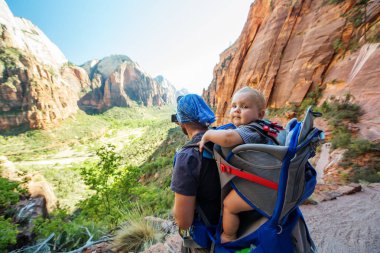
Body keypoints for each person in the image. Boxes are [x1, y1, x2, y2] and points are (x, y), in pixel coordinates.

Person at [198, 86, 267, 244]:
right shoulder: (266, 127)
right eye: (234, 106)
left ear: (260, 114)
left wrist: (208, 134)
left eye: (244, 107)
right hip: (269, 179)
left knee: (229, 205)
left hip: (265, 188)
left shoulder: (251, 130)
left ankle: (229, 237)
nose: (237, 110)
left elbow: (228, 138)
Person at [170, 94, 221, 252]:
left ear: (182, 122)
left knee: (185, 241)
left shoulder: (187, 157)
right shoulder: (223, 139)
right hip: (234, 223)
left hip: (210, 235)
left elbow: (183, 222)